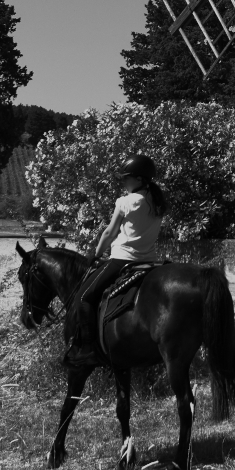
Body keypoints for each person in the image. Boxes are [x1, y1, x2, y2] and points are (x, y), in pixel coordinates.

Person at [66, 153, 168, 367]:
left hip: (122, 260)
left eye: (126, 178)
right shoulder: (157, 200)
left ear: (139, 179)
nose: (123, 182)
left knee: (83, 298)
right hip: (149, 261)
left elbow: (109, 233)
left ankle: (87, 349)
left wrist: (95, 253)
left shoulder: (126, 202)